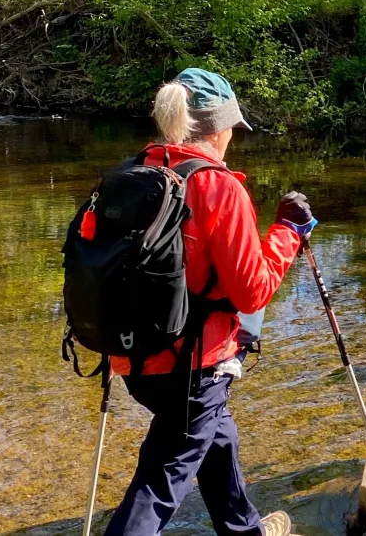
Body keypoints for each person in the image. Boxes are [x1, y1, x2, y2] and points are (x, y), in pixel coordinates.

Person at [104, 68, 313, 536]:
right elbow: (252, 291)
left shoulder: (131, 173)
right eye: (232, 129)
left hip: (132, 357)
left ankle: (246, 531)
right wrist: (288, 233)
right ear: (218, 130)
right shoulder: (219, 187)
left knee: (217, 438)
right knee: (158, 485)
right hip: (194, 368)